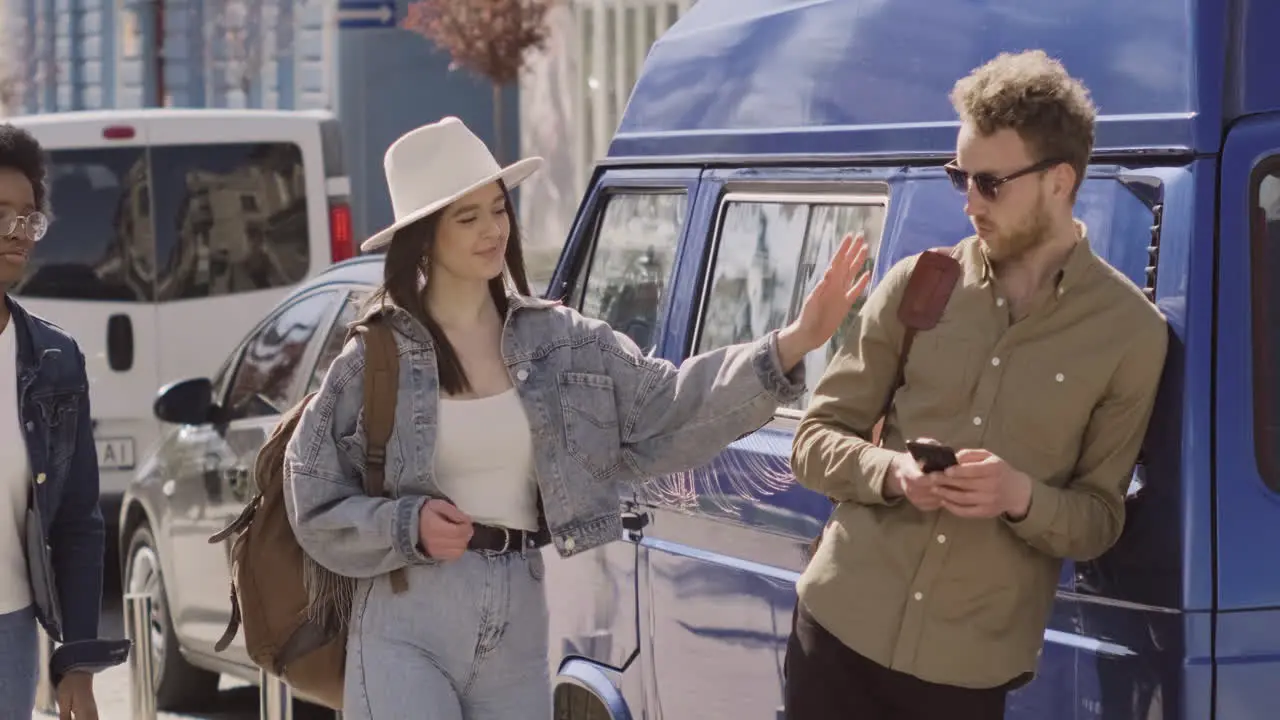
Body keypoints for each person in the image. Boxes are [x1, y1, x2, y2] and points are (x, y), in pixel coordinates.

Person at [282, 115, 871, 720]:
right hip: (405, 612)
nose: (492, 229)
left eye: (498, 209)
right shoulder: (373, 358)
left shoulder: (558, 340)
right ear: (424, 238)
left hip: (518, 602)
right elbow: (313, 496)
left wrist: (794, 342)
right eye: (467, 217)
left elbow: (665, 403)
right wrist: (406, 525)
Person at [784, 50, 1169, 720]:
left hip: (965, 675)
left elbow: (1101, 518)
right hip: (837, 629)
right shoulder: (920, 282)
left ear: (1060, 181)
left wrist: (1019, 497)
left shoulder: (1131, 333)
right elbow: (814, 440)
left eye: (989, 183)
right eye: (959, 176)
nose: (968, 203)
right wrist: (892, 471)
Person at [1, 124, 120, 719]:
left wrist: (76, 661)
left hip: (8, 631)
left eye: (27, 216)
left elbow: (77, 520)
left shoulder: (54, 360)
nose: (16, 231)